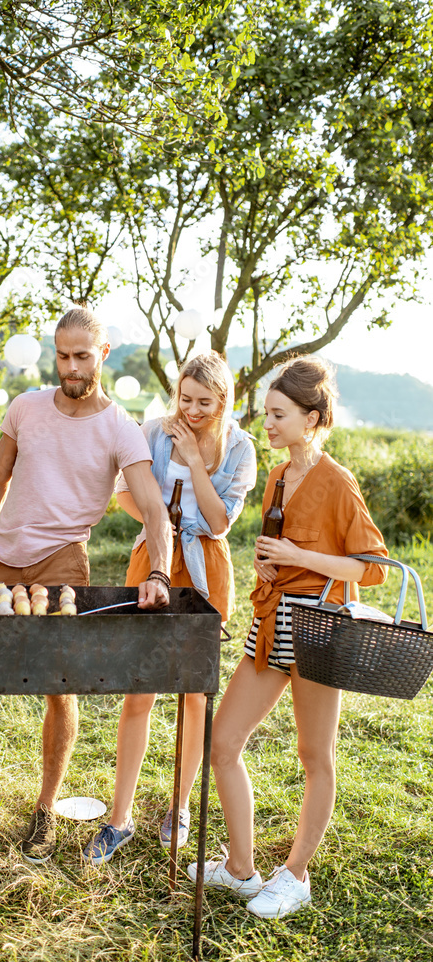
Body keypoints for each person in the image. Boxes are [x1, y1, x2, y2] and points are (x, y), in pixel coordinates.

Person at [0, 307, 173, 864]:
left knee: (60, 686)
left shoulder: (120, 429)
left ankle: (44, 809)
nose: (71, 367)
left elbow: (154, 509)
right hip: (2, 554)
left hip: (63, 560)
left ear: (103, 355)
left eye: (82, 357)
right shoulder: (25, 407)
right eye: (62, 356)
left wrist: (159, 571)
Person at [188, 356, 388, 918]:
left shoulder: (337, 481)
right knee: (222, 742)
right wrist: (270, 564)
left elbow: (372, 566)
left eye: (279, 415)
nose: (267, 424)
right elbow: (280, 545)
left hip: (320, 630)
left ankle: (295, 875)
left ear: (312, 417)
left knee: (313, 755)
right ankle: (241, 868)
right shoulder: (278, 475)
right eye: (267, 413)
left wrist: (301, 557)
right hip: (271, 620)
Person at [83, 352, 257, 864]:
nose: (193, 409)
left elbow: (221, 521)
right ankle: (120, 818)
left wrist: (198, 464)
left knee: (194, 698)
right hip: (152, 561)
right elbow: (126, 497)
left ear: (224, 402)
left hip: (207, 566)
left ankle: (179, 805)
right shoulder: (152, 432)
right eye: (185, 398)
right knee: (139, 692)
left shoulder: (240, 448)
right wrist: (164, 527)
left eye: (205, 402)